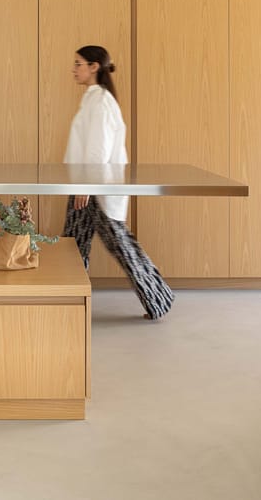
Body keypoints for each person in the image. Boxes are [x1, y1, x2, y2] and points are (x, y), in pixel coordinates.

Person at [63, 45, 174, 320]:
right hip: (88, 185)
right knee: (73, 245)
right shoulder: (94, 99)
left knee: (118, 245)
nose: (74, 69)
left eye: (78, 63)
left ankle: (158, 298)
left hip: (94, 187)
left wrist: (85, 187)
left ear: (94, 67)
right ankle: (67, 301)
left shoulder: (101, 102)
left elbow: (97, 150)